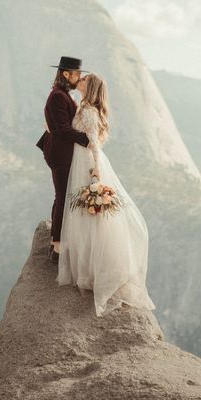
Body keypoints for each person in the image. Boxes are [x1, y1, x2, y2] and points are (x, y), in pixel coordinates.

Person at [57, 72, 156, 318]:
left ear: (89, 88)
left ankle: (93, 271)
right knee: (83, 215)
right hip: (79, 163)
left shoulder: (89, 112)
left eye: (84, 80)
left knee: (90, 217)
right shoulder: (84, 107)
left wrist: (95, 175)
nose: (79, 80)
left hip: (88, 164)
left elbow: (93, 144)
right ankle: (87, 268)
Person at [36, 56, 91, 263]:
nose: (79, 77)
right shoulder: (58, 96)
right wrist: (88, 140)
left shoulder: (62, 94)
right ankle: (57, 248)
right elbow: (63, 130)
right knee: (63, 198)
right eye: (77, 74)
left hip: (60, 152)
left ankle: (54, 241)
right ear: (66, 74)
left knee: (61, 196)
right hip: (60, 154)